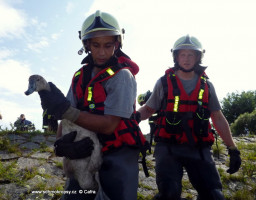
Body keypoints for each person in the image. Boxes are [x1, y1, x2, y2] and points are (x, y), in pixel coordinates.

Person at [38, 10, 149, 200]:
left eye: (108, 45)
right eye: (96, 45)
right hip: (85, 148)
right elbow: (65, 118)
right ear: (86, 44)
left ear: (117, 43)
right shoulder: (79, 77)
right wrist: (59, 145)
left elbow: (109, 125)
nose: (102, 52)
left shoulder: (123, 76)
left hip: (118, 152)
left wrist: (67, 110)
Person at [137, 35, 241, 200]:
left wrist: (233, 149)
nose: (186, 59)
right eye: (182, 55)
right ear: (176, 57)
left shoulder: (207, 85)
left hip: (198, 148)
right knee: (169, 194)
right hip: (168, 148)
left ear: (198, 57)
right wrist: (132, 119)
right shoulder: (163, 82)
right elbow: (149, 109)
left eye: (191, 54)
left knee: (214, 196)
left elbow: (217, 117)